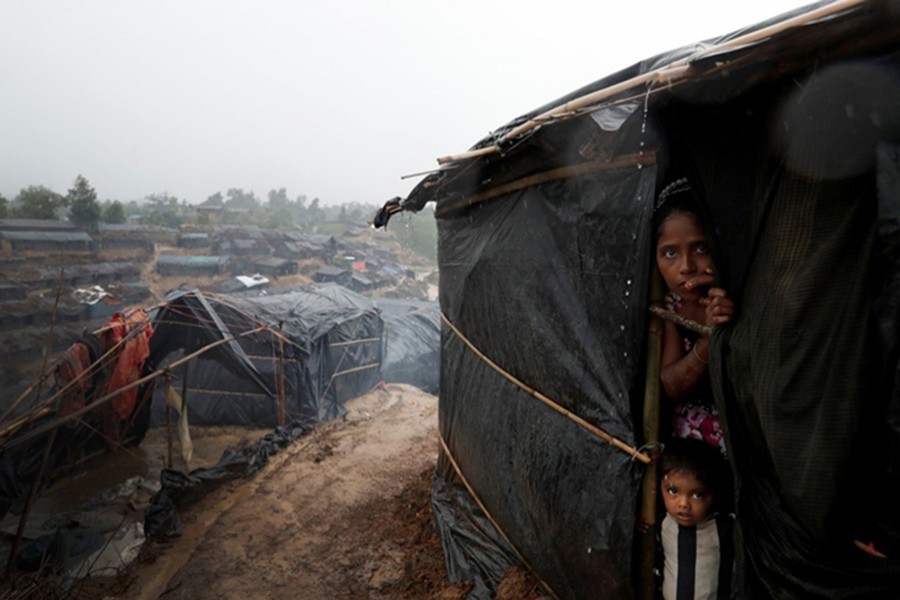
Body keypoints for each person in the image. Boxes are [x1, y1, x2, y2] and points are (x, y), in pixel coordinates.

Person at [654, 178, 734, 454]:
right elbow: (672, 385)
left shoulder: (738, 292)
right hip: (693, 451)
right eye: (670, 253)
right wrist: (707, 341)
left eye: (701, 249)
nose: (686, 267)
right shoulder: (669, 308)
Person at [659, 438, 734, 600]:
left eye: (697, 495)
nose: (683, 504)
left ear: (713, 493)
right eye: (673, 491)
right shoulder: (662, 522)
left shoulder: (726, 526)